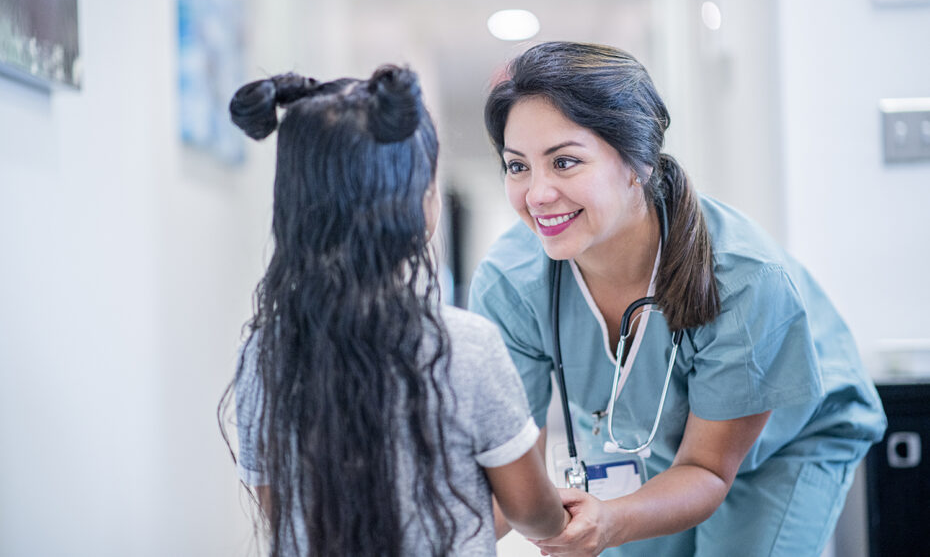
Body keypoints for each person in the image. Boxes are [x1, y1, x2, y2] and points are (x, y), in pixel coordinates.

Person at [468, 42, 886, 556]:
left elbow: (707, 470)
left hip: (785, 447)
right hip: (649, 445)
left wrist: (611, 521)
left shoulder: (743, 279)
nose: (537, 194)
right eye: (517, 167)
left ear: (636, 162)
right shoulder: (512, 284)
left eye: (565, 162)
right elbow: (512, 461)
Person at [218, 65, 570, 556]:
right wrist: (561, 512)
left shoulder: (264, 352)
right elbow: (528, 508)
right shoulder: (464, 346)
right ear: (422, 201)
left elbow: (278, 509)